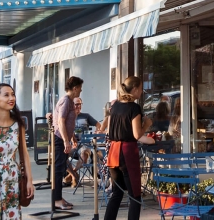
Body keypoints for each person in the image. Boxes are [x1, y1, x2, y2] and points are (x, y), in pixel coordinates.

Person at [104, 75, 154, 220]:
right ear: (135, 89)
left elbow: (108, 131)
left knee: (117, 193)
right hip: (127, 152)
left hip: (113, 151)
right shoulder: (134, 107)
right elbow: (137, 134)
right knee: (135, 196)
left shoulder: (115, 106)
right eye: (141, 89)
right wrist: (147, 124)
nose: (142, 92)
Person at [0, 83, 34, 218]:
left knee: (11, 216)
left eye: (13, 94)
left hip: (12, 177)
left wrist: (29, 180)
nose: (11, 98)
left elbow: (25, 153)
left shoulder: (18, 124)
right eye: (6, 95)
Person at [52, 75, 84, 211]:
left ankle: (58, 198)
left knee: (61, 168)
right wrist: (66, 140)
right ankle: (56, 200)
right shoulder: (65, 101)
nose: (80, 91)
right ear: (75, 88)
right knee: (59, 170)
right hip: (59, 139)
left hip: (64, 137)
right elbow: (61, 121)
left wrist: (72, 137)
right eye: (80, 89)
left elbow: (69, 123)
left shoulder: (70, 101)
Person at [65, 98, 104, 185]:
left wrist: (97, 131)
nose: (78, 106)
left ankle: (73, 173)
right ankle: (73, 175)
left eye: (80, 104)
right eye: (76, 104)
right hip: (72, 144)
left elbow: (98, 125)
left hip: (85, 144)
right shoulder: (68, 117)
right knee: (61, 156)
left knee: (84, 156)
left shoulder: (86, 116)